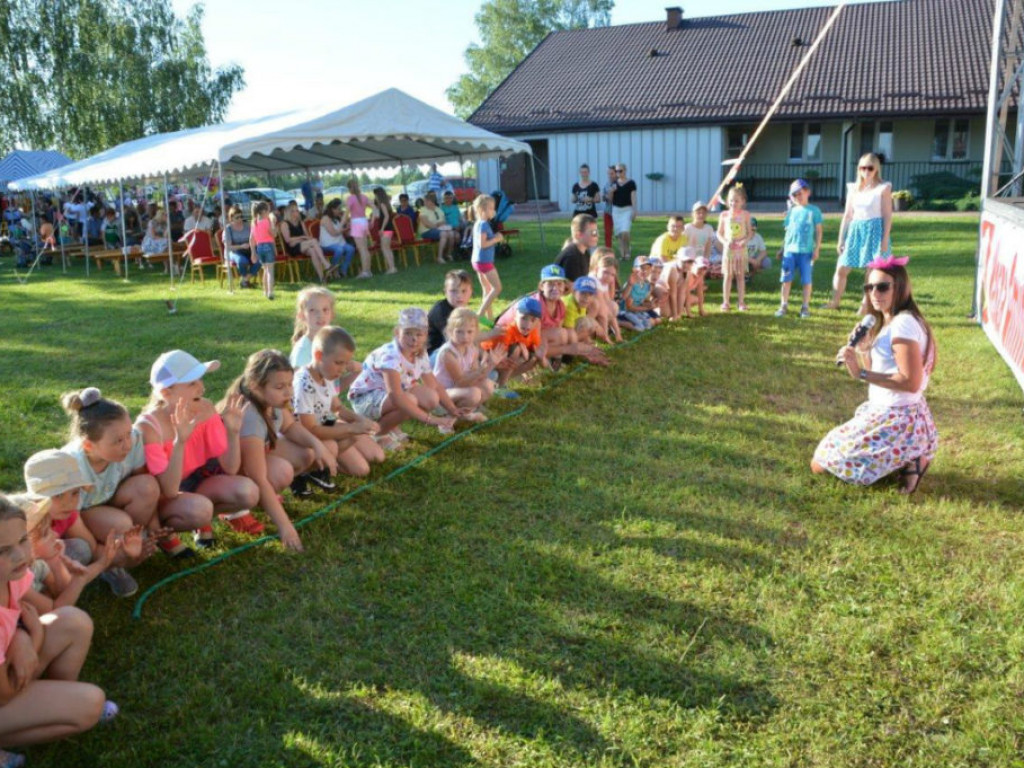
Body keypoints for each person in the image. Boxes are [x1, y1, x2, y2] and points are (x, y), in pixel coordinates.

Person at [0, 496, 115, 765]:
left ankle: (52, 701)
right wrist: (35, 639)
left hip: (10, 672)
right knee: (91, 705)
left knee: (73, 621)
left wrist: (20, 637)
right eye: (2, 550)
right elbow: (4, 694)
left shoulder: (11, 576)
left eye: (22, 540)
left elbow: (30, 616)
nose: (20, 555)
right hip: (3, 691)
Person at [812, 257, 937, 493]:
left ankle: (913, 459)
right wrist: (863, 349)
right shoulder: (893, 321)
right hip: (891, 412)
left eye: (882, 287)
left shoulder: (903, 325)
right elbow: (885, 369)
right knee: (825, 459)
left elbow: (911, 382)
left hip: (897, 419)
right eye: (869, 287)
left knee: (820, 465)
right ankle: (907, 461)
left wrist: (861, 373)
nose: (874, 293)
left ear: (900, 287)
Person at [137, 350, 262, 542]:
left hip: (194, 485)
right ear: (166, 393)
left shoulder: (205, 408)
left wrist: (232, 432)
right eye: (192, 383)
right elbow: (169, 491)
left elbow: (230, 468)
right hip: (160, 501)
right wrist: (180, 442)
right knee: (199, 509)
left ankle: (203, 519)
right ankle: (161, 534)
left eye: (200, 380)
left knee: (248, 492)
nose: (201, 389)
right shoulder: (150, 427)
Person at [229, 349, 336, 553]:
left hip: (251, 463)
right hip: (228, 475)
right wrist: (286, 528)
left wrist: (317, 445)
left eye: (289, 384)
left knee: (307, 453)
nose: (288, 392)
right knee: (281, 471)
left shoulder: (272, 401)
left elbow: (290, 427)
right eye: (280, 387)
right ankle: (236, 510)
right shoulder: (251, 417)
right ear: (255, 386)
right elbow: (258, 477)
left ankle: (267, 498)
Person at [60, 388, 164, 597]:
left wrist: (153, 528)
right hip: (78, 516)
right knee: (121, 525)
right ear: (89, 445)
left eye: (128, 434)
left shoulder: (132, 440)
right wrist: (104, 557)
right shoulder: (72, 468)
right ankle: (111, 566)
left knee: (147, 486)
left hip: (109, 501)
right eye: (118, 440)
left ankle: (130, 539)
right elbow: (71, 521)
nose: (128, 444)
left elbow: (140, 479)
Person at [347, 308, 462, 448]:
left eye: (419, 334)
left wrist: (452, 408)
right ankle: (378, 433)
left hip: (387, 397)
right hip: (365, 398)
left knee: (430, 397)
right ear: (397, 332)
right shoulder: (390, 356)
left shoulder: (420, 353)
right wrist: (431, 419)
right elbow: (396, 396)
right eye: (408, 333)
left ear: (426, 335)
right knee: (409, 401)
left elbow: (434, 385)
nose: (414, 339)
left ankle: (392, 426)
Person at [292, 327, 384, 478]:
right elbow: (311, 429)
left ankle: (330, 459)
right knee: (361, 469)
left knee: (377, 456)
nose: (342, 370)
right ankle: (313, 470)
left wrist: (361, 421)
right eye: (339, 363)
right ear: (318, 355)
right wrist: (351, 428)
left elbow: (337, 408)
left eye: (346, 364)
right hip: (306, 438)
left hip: (326, 425)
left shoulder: (327, 374)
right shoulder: (304, 383)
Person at [826, 152, 893, 310]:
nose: (866, 172)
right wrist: (841, 239)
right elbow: (847, 215)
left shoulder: (883, 188)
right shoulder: (853, 189)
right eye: (863, 168)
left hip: (875, 231)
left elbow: (887, 216)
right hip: (856, 230)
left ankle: (864, 306)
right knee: (841, 268)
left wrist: (884, 240)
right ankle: (835, 302)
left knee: (871, 272)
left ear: (876, 169)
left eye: (870, 168)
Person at [432, 309, 499, 422]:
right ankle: (449, 416)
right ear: (450, 331)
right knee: (474, 394)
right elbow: (460, 383)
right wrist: (480, 371)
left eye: (469, 332)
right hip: (442, 395)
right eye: (459, 332)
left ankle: (468, 411)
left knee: (488, 385)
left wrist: (491, 365)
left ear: (476, 331)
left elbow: (477, 377)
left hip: (457, 390)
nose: (465, 337)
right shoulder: (448, 353)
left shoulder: (472, 349)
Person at [775, 179, 823, 319]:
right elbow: (788, 232)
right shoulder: (792, 211)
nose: (798, 197)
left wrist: (817, 248)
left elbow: (819, 231)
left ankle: (805, 306)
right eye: (794, 195)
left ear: (807, 192)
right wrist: (782, 248)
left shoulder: (814, 211)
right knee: (786, 279)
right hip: (790, 251)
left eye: (800, 193)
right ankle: (783, 304)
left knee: (806, 280)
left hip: (806, 252)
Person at [480, 297, 550, 386]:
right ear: (515, 316)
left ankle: (501, 381)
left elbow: (544, 364)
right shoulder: (507, 332)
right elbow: (501, 359)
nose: (527, 324)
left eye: (533, 320)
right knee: (516, 351)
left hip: (500, 364)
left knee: (533, 358)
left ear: (538, 322)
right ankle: (501, 385)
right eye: (524, 318)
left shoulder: (533, 334)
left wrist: (541, 357)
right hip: (485, 362)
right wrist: (522, 357)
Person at [717, 184, 751, 312]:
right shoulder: (724, 215)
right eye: (731, 200)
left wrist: (744, 241)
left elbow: (749, 233)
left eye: (736, 200)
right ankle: (725, 302)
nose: (733, 203)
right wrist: (725, 242)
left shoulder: (746, 215)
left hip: (741, 251)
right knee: (728, 275)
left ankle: (741, 302)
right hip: (729, 251)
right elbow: (719, 233)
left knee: (740, 276)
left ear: (743, 201)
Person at [470, 194, 504, 325]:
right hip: (484, 262)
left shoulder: (479, 223)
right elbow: (482, 244)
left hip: (477, 261)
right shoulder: (483, 224)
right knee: (497, 288)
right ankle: (480, 314)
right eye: (491, 208)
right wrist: (497, 238)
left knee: (487, 289)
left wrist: (493, 237)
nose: (493, 211)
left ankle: (489, 320)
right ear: (483, 209)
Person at [280, 203, 329, 284]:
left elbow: (307, 236)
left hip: (303, 245)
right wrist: (301, 238)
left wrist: (301, 238)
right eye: (295, 211)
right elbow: (288, 240)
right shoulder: (284, 224)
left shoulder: (301, 223)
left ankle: (322, 278)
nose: (297, 212)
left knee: (313, 250)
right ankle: (325, 263)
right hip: (293, 249)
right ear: (290, 213)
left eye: (297, 210)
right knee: (313, 241)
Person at [428, 269, 473, 355]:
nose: (459, 295)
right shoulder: (441, 310)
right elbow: (456, 339)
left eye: (464, 291)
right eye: (453, 291)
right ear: (445, 292)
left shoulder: (462, 310)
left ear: (471, 291)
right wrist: (491, 334)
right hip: (435, 354)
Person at [222, 205, 260, 289]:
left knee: (259, 260)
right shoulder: (228, 229)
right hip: (234, 252)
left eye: (241, 217)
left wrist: (252, 247)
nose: (240, 219)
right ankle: (245, 282)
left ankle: (245, 280)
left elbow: (255, 239)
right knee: (242, 260)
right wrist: (241, 246)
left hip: (248, 250)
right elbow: (228, 247)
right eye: (237, 217)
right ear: (231, 219)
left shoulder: (247, 226)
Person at [618, 256, 659, 331]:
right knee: (640, 328)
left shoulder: (647, 284)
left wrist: (650, 304)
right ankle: (618, 322)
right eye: (642, 268)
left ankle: (635, 322)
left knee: (650, 324)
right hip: (625, 312)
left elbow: (642, 301)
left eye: (648, 268)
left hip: (637, 311)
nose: (645, 271)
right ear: (634, 270)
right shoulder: (631, 284)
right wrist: (647, 308)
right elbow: (629, 307)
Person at [554, 214, 598, 282]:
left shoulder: (585, 252)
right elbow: (572, 289)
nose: (597, 236)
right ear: (578, 235)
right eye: (593, 233)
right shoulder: (571, 257)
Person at [319, 198, 356, 278]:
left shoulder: (337, 217)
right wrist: (345, 229)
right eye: (338, 209)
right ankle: (333, 270)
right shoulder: (325, 218)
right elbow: (333, 233)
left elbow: (345, 232)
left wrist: (347, 223)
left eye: (341, 209)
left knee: (351, 249)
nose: (340, 211)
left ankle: (343, 270)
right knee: (339, 249)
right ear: (333, 209)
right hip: (327, 243)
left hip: (339, 242)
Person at [346, 179, 375, 279]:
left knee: (361, 249)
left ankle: (364, 271)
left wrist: (342, 223)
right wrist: (372, 220)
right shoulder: (364, 197)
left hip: (356, 222)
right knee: (365, 248)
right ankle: (368, 270)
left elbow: (346, 213)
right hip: (364, 221)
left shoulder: (350, 198)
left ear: (350, 188)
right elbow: (374, 208)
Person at [248, 201, 277, 300]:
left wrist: (253, 252)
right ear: (264, 211)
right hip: (268, 246)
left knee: (265, 269)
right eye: (268, 210)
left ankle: (265, 291)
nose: (269, 213)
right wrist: (273, 223)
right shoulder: (266, 221)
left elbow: (251, 239)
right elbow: (273, 234)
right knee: (270, 270)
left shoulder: (254, 223)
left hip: (259, 247)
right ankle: (270, 292)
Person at [609, 163, 638, 261]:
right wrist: (611, 192)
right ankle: (623, 254)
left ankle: (627, 249)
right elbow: (609, 200)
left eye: (620, 171)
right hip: (616, 210)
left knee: (625, 231)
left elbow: (633, 197)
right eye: (616, 171)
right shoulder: (614, 183)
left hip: (627, 209)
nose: (618, 173)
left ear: (625, 171)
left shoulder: (631, 183)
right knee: (620, 234)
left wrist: (634, 210)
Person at [418, 192, 456, 264]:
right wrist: (438, 225)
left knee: (451, 233)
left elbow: (444, 222)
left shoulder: (439, 210)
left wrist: (440, 225)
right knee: (444, 234)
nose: (424, 203)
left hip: (439, 229)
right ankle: (439, 257)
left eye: (425, 201)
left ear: (431, 201)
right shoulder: (423, 210)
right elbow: (427, 224)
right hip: (426, 231)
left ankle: (448, 254)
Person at [371, 187, 398, 274]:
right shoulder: (386, 204)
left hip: (386, 228)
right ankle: (393, 267)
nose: (375, 197)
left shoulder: (382, 204)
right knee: (387, 248)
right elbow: (381, 216)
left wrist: (382, 228)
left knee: (384, 248)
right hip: (389, 228)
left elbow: (386, 216)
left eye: (375, 195)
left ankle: (391, 268)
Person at [601, 165, 616, 249]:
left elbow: (611, 198)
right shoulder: (607, 184)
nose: (610, 175)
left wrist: (607, 196)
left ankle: (625, 250)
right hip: (608, 211)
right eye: (608, 174)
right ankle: (608, 249)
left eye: (612, 173)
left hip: (618, 212)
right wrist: (607, 196)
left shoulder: (619, 184)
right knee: (607, 232)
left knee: (620, 233)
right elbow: (603, 197)